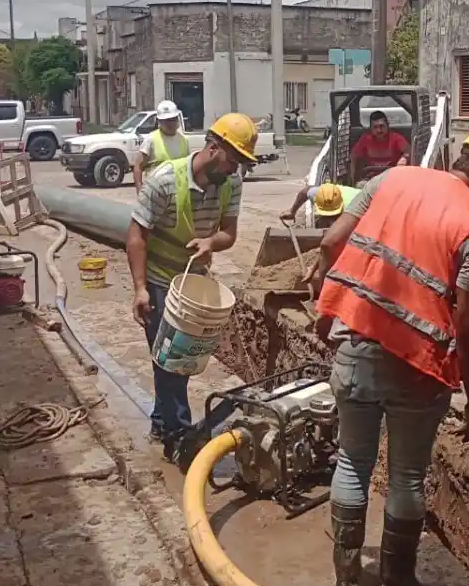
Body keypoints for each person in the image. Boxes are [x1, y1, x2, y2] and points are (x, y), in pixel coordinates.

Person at [308, 125, 469, 586]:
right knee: (407, 478)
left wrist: (326, 316)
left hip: (355, 346)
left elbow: (330, 243)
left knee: (351, 463)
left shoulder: (392, 179)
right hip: (418, 366)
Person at [125, 112, 258, 458]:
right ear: (214, 148)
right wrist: (140, 288)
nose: (236, 168)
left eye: (242, 162)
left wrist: (210, 243)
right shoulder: (164, 180)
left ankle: (161, 421)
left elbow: (229, 233)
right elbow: (137, 236)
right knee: (170, 359)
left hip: (193, 281)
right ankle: (180, 437)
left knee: (174, 358)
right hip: (158, 279)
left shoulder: (232, 183)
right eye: (234, 159)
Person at [133, 100, 190, 193]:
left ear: (177, 119)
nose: (170, 123)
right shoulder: (151, 139)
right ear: (159, 121)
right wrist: (139, 190)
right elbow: (138, 166)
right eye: (166, 120)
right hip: (155, 192)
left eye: (173, 119)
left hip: (178, 192)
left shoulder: (184, 140)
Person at [350, 110, 409, 184]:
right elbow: (353, 156)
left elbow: (409, 152)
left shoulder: (396, 138)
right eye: (375, 127)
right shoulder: (365, 139)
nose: (379, 130)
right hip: (370, 179)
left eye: (382, 126)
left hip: (392, 178)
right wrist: (352, 179)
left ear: (388, 125)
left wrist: (404, 158)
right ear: (370, 128)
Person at [280, 182, 361, 230]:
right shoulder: (318, 194)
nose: (329, 217)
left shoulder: (355, 206)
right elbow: (305, 192)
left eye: (332, 215)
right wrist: (292, 211)